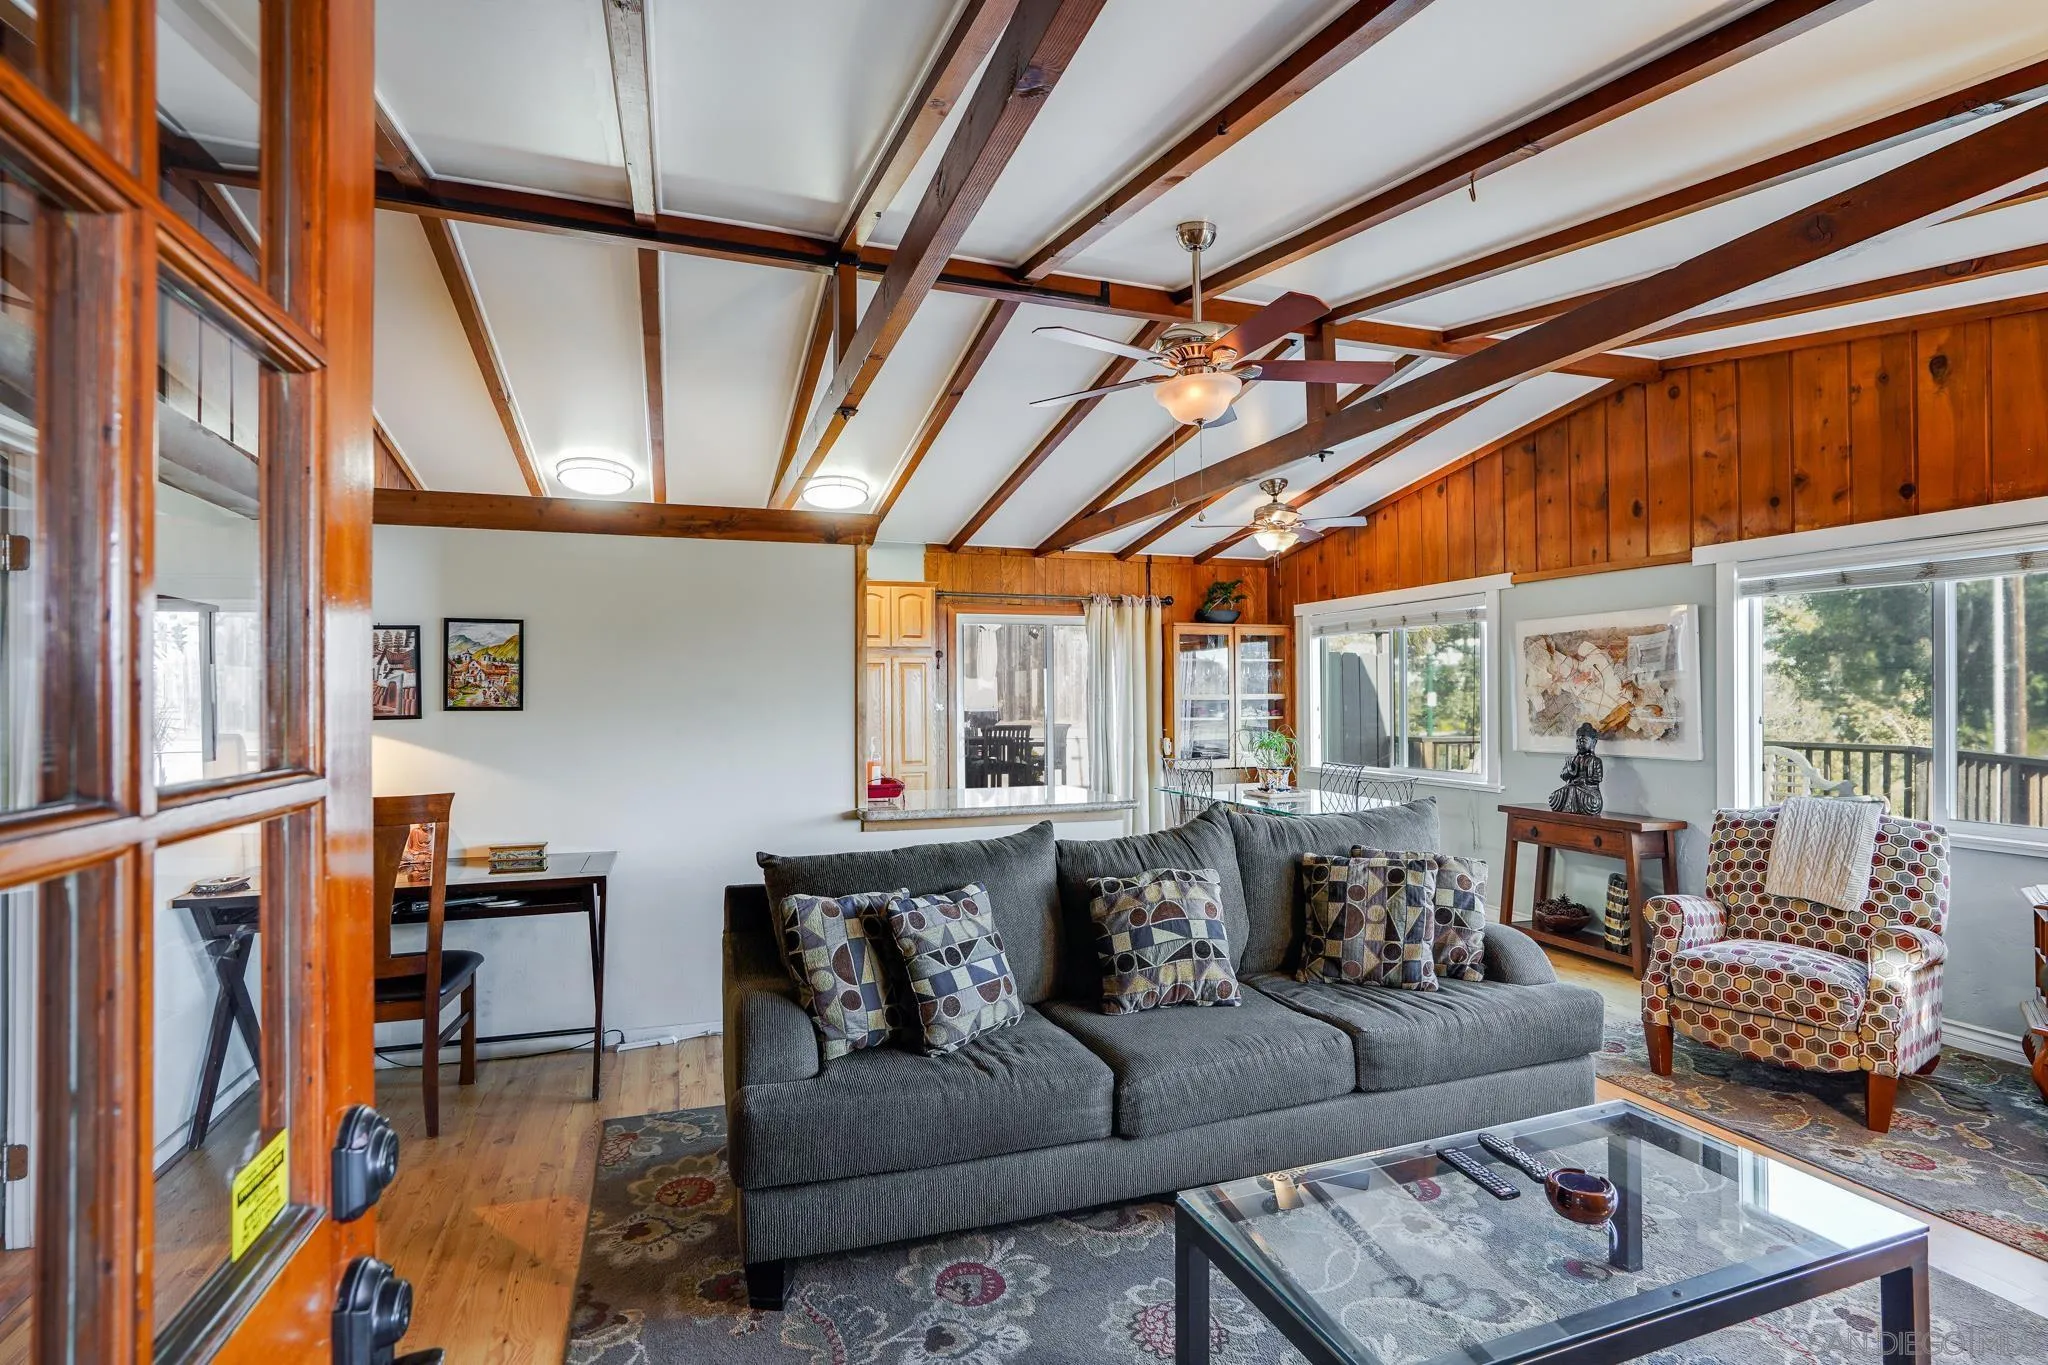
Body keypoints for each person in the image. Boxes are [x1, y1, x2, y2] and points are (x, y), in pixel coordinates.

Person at [1549, 722, 1605, 816]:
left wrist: (1582, 780)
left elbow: (1597, 778)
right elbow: (1563, 776)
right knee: (1554, 797)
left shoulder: (1595, 760)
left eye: (1583, 741)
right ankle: (1569, 808)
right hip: (1572, 787)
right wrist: (1569, 771)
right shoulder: (1573, 759)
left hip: (1588, 791)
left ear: (1593, 742)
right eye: (1577, 741)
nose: (1579, 744)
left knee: (1593, 803)